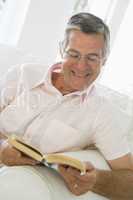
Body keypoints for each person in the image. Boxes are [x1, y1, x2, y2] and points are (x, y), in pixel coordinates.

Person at [0, 12, 133, 199]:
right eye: (74, 54)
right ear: (62, 49)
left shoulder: (101, 114)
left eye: (92, 58)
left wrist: (96, 180)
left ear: (105, 59)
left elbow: (130, 182)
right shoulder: (23, 74)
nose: (81, 66)